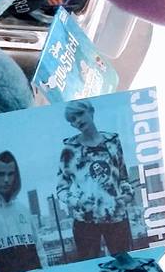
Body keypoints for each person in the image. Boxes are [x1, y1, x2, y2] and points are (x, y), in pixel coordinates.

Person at [57, 100, 135, 260]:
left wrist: (127, 195)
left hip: (116, 217)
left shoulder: (113, 142)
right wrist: (77, 202)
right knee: (90, 266)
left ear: (91, 111)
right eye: (73, 119)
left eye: (80, 114)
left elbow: (123, 177)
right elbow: (61, 189)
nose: (78, 120)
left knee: (124, 265)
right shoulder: (69, 149)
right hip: (85, 222)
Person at [0, 151, 46, 272]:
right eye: (1, 174)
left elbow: (39, 250)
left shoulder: (23, 209)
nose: (6, 180)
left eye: (10, 174)